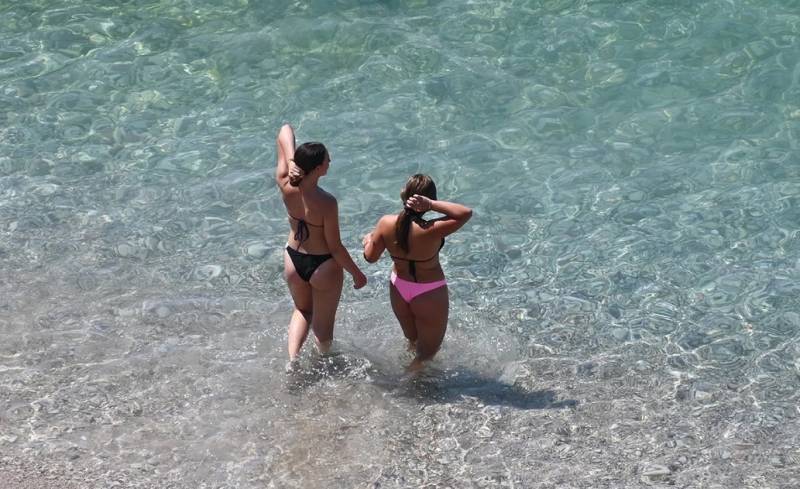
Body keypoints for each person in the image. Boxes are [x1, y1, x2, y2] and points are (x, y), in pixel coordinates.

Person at [275, 124, 367, 368]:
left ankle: (292, 361)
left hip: (293, 259)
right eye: (327, 159)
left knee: (302, 310)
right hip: (322, 265)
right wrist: (357, 274)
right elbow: (335, 247)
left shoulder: (285, 184)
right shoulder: (327, 202)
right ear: (317, 168)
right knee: (323, 331)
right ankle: (325, 369)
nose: (330, 161)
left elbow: (284, 130)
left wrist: (291, 159)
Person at [362, 174, 472, 371]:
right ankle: (405, 383)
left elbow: (370, 257)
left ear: (404, 195)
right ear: (428, 199)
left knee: (413, 342)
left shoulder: (385, 223)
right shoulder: (432, 229)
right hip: (429, 292)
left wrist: (368, 241)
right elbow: (465, 213)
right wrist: (432, 205)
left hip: (398, 289)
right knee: (427, 354)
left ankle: (411, 378)